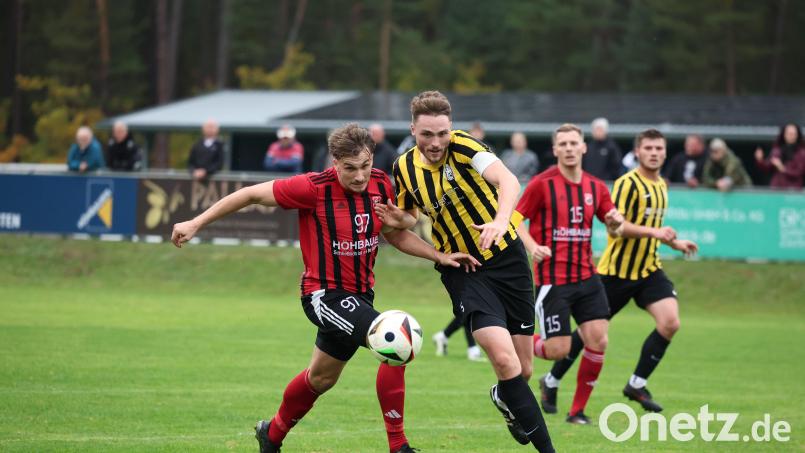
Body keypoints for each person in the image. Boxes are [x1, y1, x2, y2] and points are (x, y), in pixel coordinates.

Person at [171, 123, 478, 453]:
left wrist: (438, 255)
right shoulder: (312, 188)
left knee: (321, 379)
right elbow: (249, 195)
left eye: (364, 166)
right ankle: (398, 446)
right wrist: (195, 223)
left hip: (361, 295)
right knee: (395, 340)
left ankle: (271, 435)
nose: (359, 176)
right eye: (350, 169)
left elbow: (396, 233)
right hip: (323, 295)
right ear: (335, 163)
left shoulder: (380, 184)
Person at [376, 91, 555, 452]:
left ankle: (504, 398)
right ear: (413, 130)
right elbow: (403, 225)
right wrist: (432, 250)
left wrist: (500, 221)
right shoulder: (403, 168)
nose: (436, 142)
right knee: (503, 359)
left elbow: (508, 181)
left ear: (451, 128)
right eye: (427, 134)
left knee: (522, 370)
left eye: (442, 132)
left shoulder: (466, 147)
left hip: (508, 259)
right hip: (464, 268)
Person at [537, 128, 698, 415]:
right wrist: (658, 233)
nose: (654, 153)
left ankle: (636, 383)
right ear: (637, 152)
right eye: (648, 148)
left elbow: (653, 228)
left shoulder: (661, 184)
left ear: (665, 153)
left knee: (671, 322)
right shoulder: (627, 184)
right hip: (616, 273)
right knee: (590, 336)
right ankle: (551, 380)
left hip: (648, 269)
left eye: (659, 149)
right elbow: (620, 228)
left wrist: (674, 242)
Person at [514, 123, 625, 425]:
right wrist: (532, 246)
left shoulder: (596, 187)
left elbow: (614, 225)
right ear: (555, 150)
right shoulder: (541, 184)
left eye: (573, 143)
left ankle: (577, 411)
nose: (569, 148)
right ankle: (519, 341)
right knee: (557, 350)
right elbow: (514, 219)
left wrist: (616, 221)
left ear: (583, 147)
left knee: (598, 340)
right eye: (562, 144)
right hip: (554, 280)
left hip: (588, 277)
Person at [431, 120, 491, 362]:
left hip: (485, 245)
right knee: (473, 303)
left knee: (477, 305)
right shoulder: (453, 159)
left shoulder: (482, 161)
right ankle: (471, 348)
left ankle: (444, 336)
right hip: (460, 248)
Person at [755, 123, 805, 189]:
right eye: (789, 133)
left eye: (793, 134)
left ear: (797, 135)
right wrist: (760, 160)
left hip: (794, 191)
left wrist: (783, 169)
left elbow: (799, 172)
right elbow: (768, 167)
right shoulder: (777, 150)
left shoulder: (801, 153)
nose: (791, 136)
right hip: (777, 189)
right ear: (784, 134)